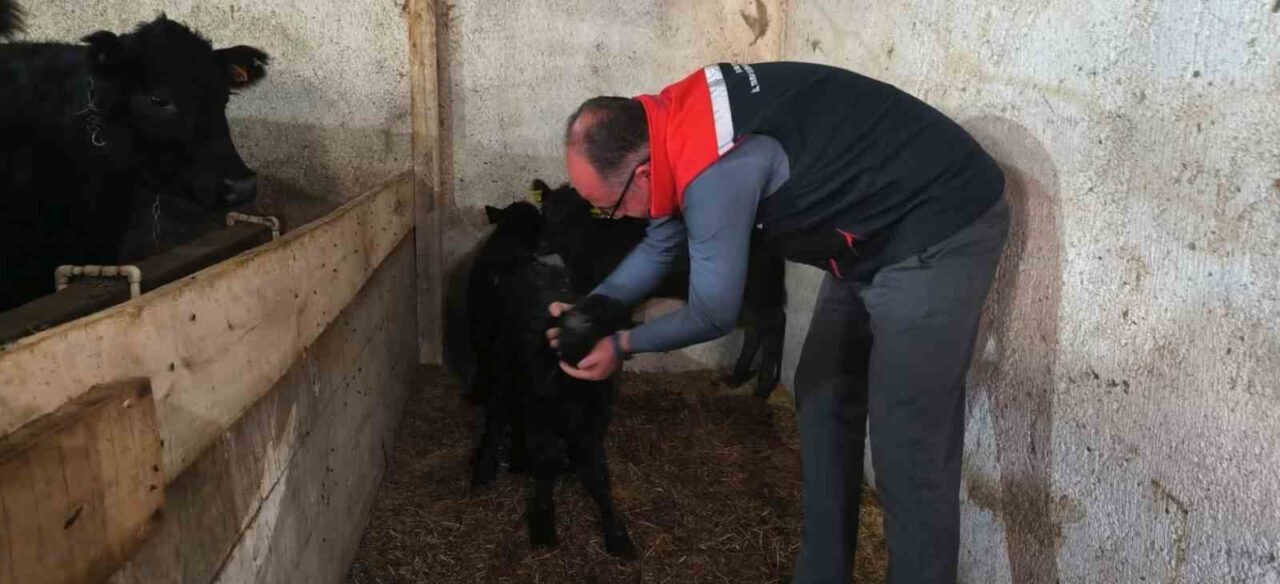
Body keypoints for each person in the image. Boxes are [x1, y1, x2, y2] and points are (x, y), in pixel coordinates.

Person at [545, 61, 1009, 584]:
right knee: (822, 392)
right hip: (867, 231)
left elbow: (713, 311)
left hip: (935, 221)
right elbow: (661, 242)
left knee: (908, 446)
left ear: (643, 172)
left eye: (610, 209)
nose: (621, 219)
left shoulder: (713, 167)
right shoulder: (666, 124)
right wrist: (593, 309)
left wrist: (622, 344)